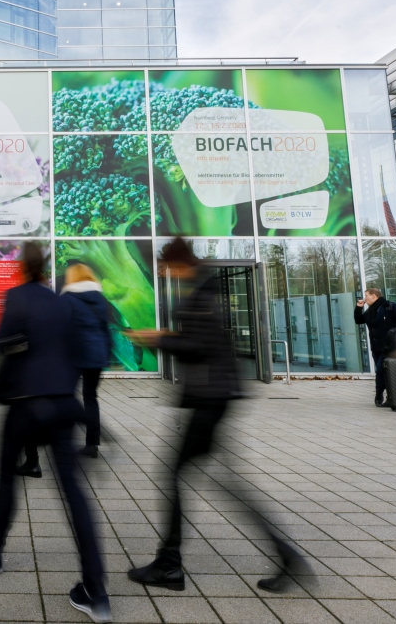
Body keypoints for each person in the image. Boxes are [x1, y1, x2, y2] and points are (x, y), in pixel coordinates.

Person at [125, 236, 307, 594]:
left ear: (177, 263)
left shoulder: (202, 293)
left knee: (178, 474)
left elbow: (199, 346)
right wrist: (166, 336)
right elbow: (199, 342)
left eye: (165, 266)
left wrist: (158, 338)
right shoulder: (201, 287)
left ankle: (169, 565)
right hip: (213, 398)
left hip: (211, 399)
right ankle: (286, 557)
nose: (164, 273)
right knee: (226, 484)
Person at [0, 242, 110, 623]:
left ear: (20, 268)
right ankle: (96, 591)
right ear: (46, 269)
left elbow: (0, 345)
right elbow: (78, 351)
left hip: (26, 405)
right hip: (63, 403)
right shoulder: (62, 303)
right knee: (74, 494)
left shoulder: (16, 298)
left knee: (6, 481)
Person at [61, 262, 113, 459]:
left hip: (75, 353)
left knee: (66, 395)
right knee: (90, 397)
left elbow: (62, 328)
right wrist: (106, 355)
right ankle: (92, 443)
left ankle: (65, 438)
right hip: (97, 354)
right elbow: (105, 327)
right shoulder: (100, 298)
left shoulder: (67, 299)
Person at [353, 288, 396, 407]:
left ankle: (379, 394)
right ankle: (390, 397)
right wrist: (359, 307)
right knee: (385, 372)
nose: (364, 299)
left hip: (390, 347)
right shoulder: (370, 311)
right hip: (376, 347)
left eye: (366, 296)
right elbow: (359, 321)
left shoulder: (390, 307)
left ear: (374, 296)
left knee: (380, 370)